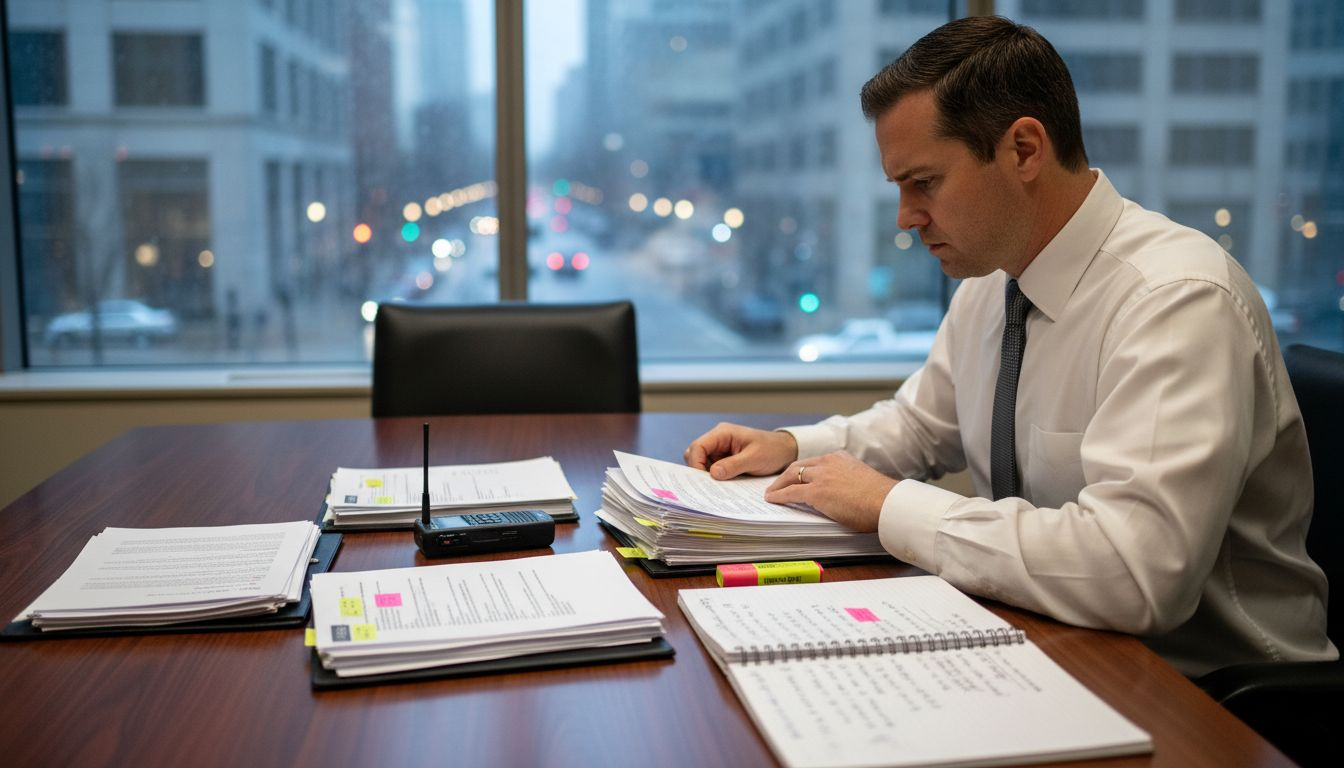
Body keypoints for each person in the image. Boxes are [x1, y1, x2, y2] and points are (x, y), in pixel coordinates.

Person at [685, 15, 1336, 677]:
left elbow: (1138, 575)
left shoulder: (1177, 300)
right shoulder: (996, 279)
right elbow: (919, 427)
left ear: (1024, 150)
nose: (907, 218)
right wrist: (795, 449)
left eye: (924, 183)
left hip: (1220, 698)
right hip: (1058, 649)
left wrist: (887, 505)